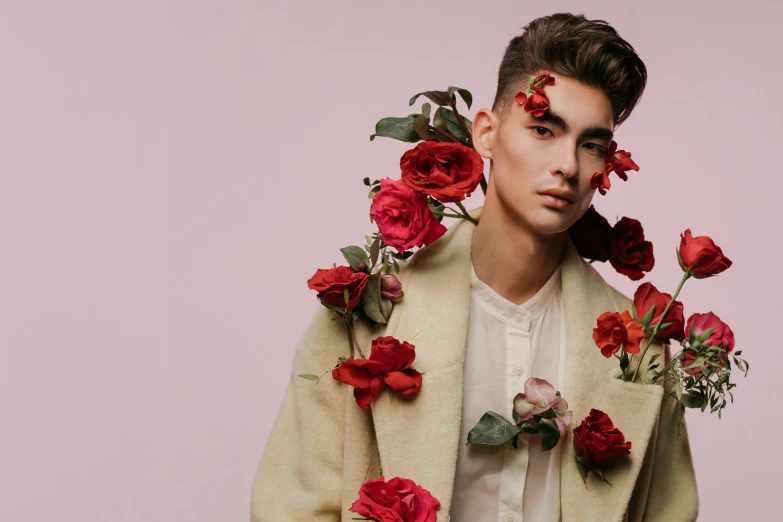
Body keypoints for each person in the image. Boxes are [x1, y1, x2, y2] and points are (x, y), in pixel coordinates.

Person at [250, 12, 699, 522]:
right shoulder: (362, 319)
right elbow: (292, 508)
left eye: (591, 144)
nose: (568, 166)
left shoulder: (641, 349)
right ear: (486, 133)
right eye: (543, 129)